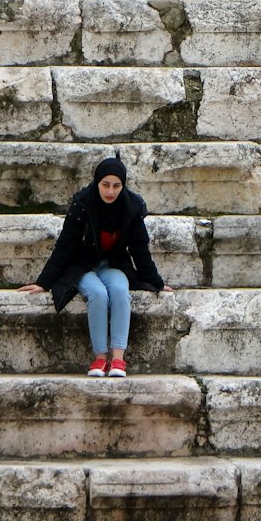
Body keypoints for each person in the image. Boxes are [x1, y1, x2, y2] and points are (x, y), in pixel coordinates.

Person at [17, 156, 172, 378]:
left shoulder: (132, 207)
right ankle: (100, 359)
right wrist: (43, 283)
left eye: (116, 185)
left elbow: (140, 249)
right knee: (98, 294)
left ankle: (118, 359)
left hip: (113, 264)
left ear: (123, 185)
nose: (110, 191)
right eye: (105, 185)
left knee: (120, 290)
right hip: (81, 266)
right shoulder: (82, 204)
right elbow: (65, 246)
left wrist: (156, 283)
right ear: (97, 183)